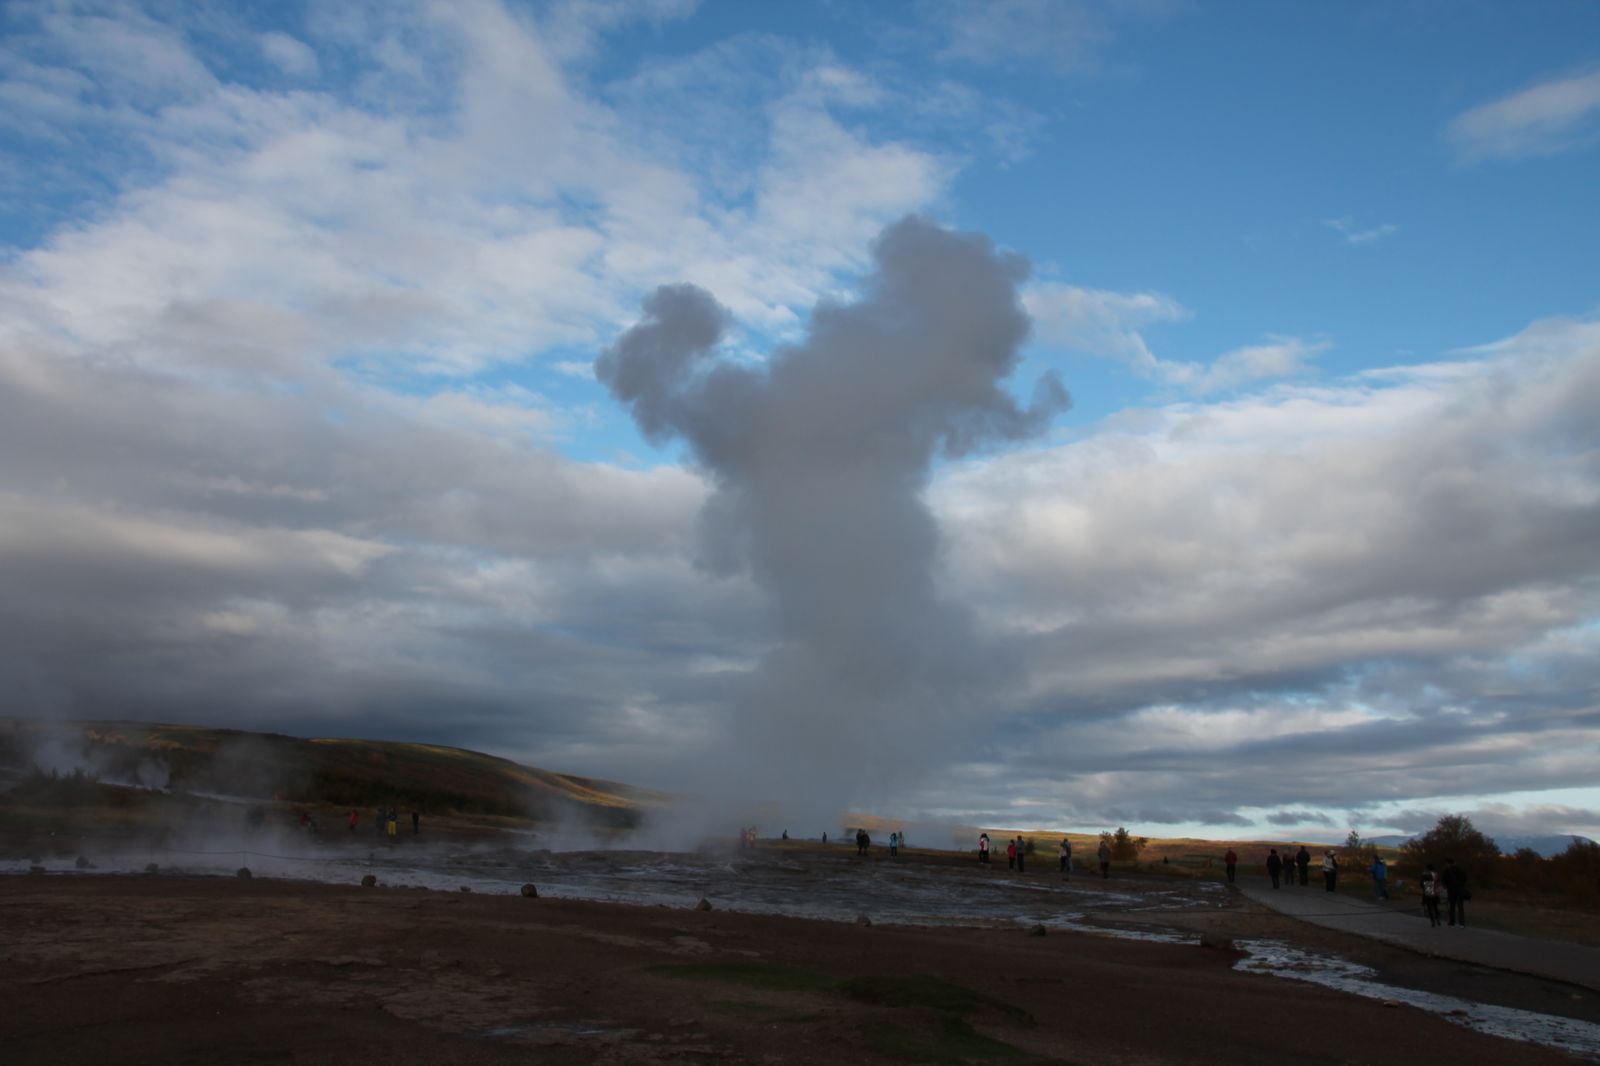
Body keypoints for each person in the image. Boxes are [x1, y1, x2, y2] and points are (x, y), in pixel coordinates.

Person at [1441, 857, 1468, 927]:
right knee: (1460, 907)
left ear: (1448, 863)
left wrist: (1446, 886)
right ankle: (1462, 923)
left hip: (1451, 891)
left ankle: (1452, 922)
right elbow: (1465, 879)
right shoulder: (1460, 870)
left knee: (1452, 907)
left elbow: (1443, 880)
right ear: (1454, 863)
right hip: (1459, 890)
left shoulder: (1447, 870)